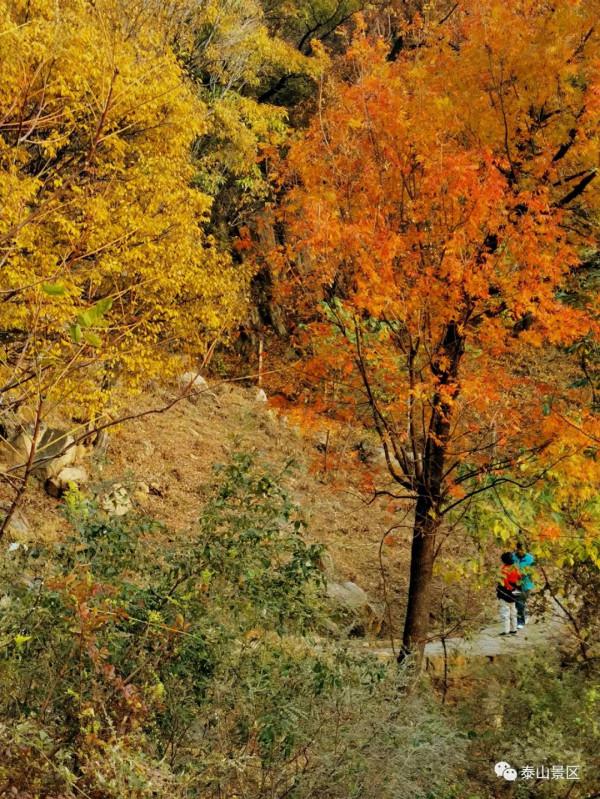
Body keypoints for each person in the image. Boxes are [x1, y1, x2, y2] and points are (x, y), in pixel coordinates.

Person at [496, 552, 520, 636]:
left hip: (505, 592)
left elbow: (505, 583)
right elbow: (519, 579)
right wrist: (515, 591)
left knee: (505, 611)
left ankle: (506, 630)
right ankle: (514, 629)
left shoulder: (504, 569)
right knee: (513, 610)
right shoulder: (516, 568)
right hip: (515, 590)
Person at [513, 540, 535, 628]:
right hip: (515, 584)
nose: (520, 551)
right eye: (519, 549)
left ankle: (522, 619)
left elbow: (533, 571)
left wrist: (525, 573)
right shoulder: (513, 557)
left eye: (522, 549)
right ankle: (520, 620)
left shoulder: (530, 558)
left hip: (527, 584)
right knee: (517, 602)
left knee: (521, 602)